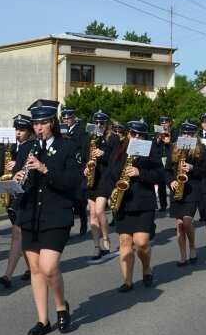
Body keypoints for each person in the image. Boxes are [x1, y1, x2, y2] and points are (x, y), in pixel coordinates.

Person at [11, 99, 82, 335]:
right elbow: (18, 178)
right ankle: (43, 320)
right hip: (30, 213)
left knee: (49, 267)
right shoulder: (25, 149)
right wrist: (18, 176)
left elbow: (72, 183)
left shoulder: (69, 148)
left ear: (52, 121)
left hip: (56, 213)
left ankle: (61, 306)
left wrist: (44, 169)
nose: (39, 127)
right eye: (35, 123)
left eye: (43, 122)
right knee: (35, 269)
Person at [107, 120, 163, 292]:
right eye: (133, 133)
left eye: (141, 135)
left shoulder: (152, 152)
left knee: (142, 242)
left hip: (144, 202)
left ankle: (146, 267)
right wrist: (111, 191)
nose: (137, 137)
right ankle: (128, 281)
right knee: (125, 241)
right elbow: (109, 176)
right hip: (123, 203)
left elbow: (160, 175)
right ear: (128, 134)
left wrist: (141, 173)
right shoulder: (118, 153)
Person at [0, 114, 35, 288]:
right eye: (16, 129)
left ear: (28, 132)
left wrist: (16, 167)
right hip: (12, 194)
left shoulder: (30, 146)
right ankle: (31, 268)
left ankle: (7, 275)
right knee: (21, 235)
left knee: (17, 234)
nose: (18, 133)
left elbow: (27, 171)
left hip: (24, 195)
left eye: (21, 130)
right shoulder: (11, 147)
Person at [165, 121, 206, 266]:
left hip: (193, 189)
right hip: (177, 188)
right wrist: (171, 181)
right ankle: (183, 255)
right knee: (179, 223)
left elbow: (204, 172)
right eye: (184, 133)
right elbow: (167, 170)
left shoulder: (201, 148)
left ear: (194, 135)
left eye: (189, 134)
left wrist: (191, 167)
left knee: (187, 221)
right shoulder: (173, 147)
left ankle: (192, 247)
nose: (186, 136)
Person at [84, 109, 120, 261]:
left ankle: (106, 238)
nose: (99, 125)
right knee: (92, 214)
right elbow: (85, 155)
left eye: (102, 123)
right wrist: (86, 167)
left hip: (106, 178)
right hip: (92, 177)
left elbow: (115, 159)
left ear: (107, 124)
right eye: (97, 123)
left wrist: (103, 154)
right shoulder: (90, 137)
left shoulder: (114, 138)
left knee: (99, 211)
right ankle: (96, 246)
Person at [61, 108, 88, 235]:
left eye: (69, 118)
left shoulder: (81, 131)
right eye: (64, 118)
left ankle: (83, 222)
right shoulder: (59, 131)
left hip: (77, 168)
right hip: (65, 169)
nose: (66, 120)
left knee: (78, 200)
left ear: (74, 118)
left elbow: (83, 150)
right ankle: (68, 228)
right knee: (67, 201)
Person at [154, 115, 177, 212]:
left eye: (165, 123)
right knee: (160, 184)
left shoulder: (175, 132)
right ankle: (163, 205)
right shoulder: (157, 132)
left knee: (171, 182)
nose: (164, 125)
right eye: (162, 123)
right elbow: (154, 145)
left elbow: (177, 145)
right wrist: (157, 140)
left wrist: (170, 142)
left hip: (170, 158)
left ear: (169, 123)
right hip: (160, 159)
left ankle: (175, 203)